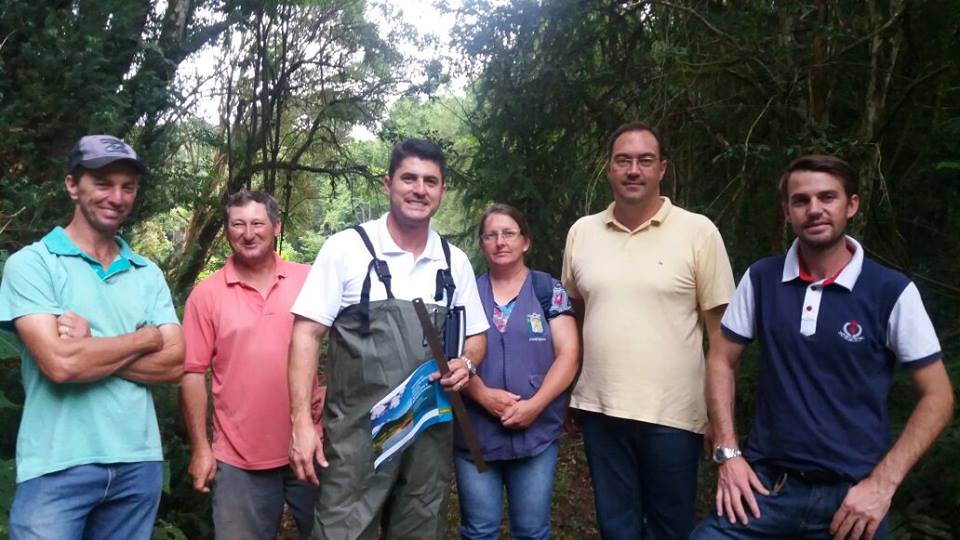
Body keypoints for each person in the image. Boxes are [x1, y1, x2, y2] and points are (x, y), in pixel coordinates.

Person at [691, 155, 954, 540]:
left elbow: (939, 397)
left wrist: (883, 485)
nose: (814, 209)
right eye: (801, 200)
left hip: (853, 501)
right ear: (787, 211)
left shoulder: (891, 291)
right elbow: (722, 359)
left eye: (827, 197)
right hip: (766, 491)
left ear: (852, 205)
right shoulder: (763, 278)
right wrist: (728, 454)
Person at [286, 138, 489, 539]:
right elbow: (305, 335)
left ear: (442, 191)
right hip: (355, 437)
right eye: (409, 178)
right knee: (342, 530)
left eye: (431, 181)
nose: (419, 189)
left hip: (429, 435)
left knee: (420, 528)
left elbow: (476, 337)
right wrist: (301, 424)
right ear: (388, 183)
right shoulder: (346, 249)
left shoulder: (455, 261)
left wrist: (466, 365)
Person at [0, 134, 184, 539]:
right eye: (103, 183)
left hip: (139, 464)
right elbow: (61, 364)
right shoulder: (32, 264)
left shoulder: (147, 273)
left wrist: (90, 343)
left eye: (127, 187)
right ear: (72, 185)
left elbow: (175, 363)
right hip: (55, 465)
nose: (116, 197)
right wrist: (143, 339)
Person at [561, 121, 736, 539]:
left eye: (645, 160)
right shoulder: (581, 233)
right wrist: (571, 387)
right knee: (615, 529)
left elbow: (723, 340)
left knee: (669, 528)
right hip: (602, 411)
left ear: (662, 169)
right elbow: (575, 314)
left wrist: (719, 416)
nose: (633, 170)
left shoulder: (699, 232)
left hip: (673, 416)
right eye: (623, 160)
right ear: (609, 169)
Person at [180, 191, 322, 539]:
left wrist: (335, 387)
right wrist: (201, 448)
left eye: (257, 223)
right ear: (227, 231)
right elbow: (191, 373)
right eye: (237, 224)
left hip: (311, 445)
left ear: (276, 227)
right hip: (238, 457)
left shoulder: (309, 280)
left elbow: (354, 337)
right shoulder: (207, 295)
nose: (248, 233)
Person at [455, 203, 580, 540]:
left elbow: (568, 354)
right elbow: (450, 357)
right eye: (491, 235)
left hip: (536, 435)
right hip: (476, 436)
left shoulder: (547, 290)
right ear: (482, 244)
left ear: (526, 241)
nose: (500, 242)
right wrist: (481, 395)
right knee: (479, 530)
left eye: (509, 233)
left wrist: (535, 405)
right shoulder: (466, 292)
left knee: (532, 530)